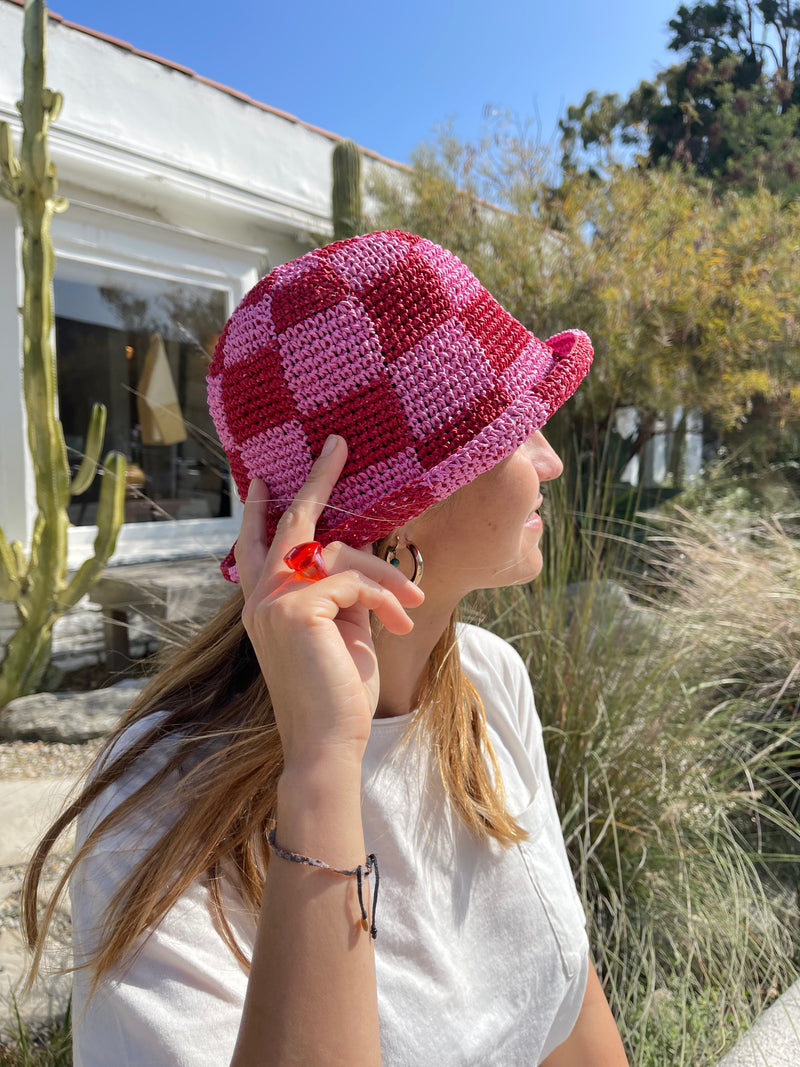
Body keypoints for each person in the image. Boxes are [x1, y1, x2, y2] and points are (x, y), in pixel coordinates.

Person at [22, 230, 629, 1065]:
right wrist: (319, 773)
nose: (551, 458)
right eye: (516, 427)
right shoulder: (160, 808)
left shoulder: (489, 680)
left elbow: (567, 1012)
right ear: (403, 509)